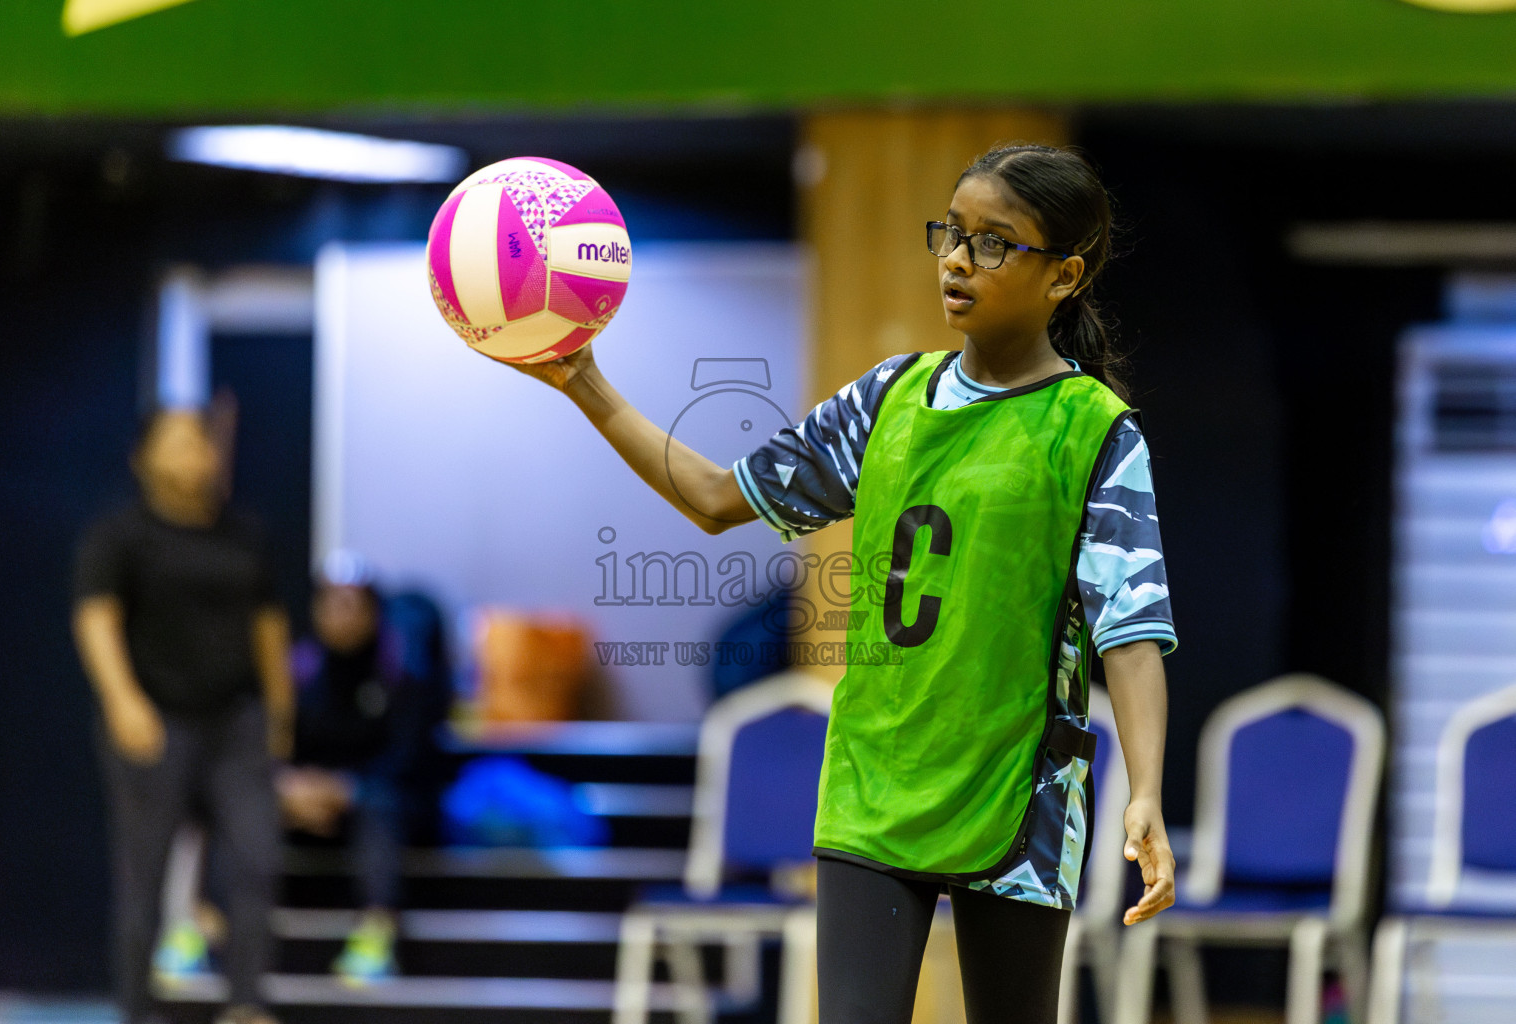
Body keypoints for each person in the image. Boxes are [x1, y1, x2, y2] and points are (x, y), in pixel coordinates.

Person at [489, 143, 1178, 1023]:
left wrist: (1148, 789)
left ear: (1064, 275)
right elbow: (713, 497)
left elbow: (1132, 628)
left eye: (994, 243)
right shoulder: (888, 397)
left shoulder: (1094, 429)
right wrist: (584, 379)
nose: (959, 260)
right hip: (871, 781)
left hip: (1021, 791)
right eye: (952, 234)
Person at [73, 409, 290, 1024]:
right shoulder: (119, 537)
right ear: (142, 459)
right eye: (176, 441)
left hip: (237, 722)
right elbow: (96, 619)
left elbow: (268, 626)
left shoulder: (245, 534)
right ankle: (140, 1011)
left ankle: (246, 1003)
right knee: (146, 875)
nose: (193, 453)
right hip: (157, 719)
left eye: (200, 440)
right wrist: (122, 701)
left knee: (254, 861)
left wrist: (280, 711)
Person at [277, 552, 437, 985]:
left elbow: (409, 759)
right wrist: (293, 787)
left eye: (351, 603)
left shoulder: (402, 672)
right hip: (312, 805)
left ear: (373, 613)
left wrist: (347, 787)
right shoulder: (300, 672)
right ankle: (213, 928)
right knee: (244, 802)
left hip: (380, 802)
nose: (340, 614)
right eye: (330, 602)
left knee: (380, 804)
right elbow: (278, 750)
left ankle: (375, 936)